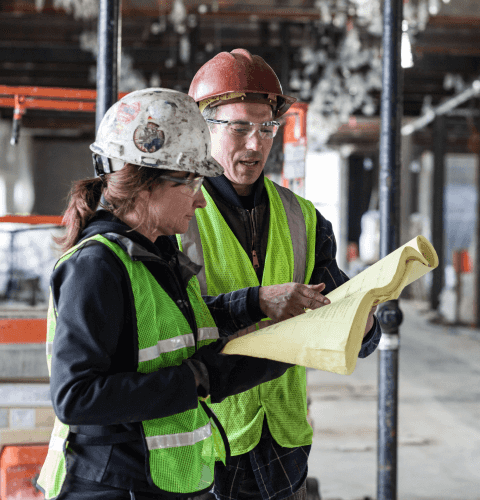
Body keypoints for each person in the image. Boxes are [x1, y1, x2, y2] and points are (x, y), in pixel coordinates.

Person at [37, 88, 292, 500]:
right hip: (109, 487)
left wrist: (260, 314)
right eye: (190, 182)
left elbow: (172, 329)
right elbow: (76, 397)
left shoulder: (157, 252)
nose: (200, 201)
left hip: (155, 482)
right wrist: (200, 376)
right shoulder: (97, 266)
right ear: (143, 185)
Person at [177, 49, 382, 500]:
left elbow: (349, 320)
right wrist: (256, 300)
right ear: (201, 128)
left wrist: (364, 322)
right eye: (239, 127)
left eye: (266, 127)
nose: (256, 144)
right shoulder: (175, 212)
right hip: (207, 435)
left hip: (283, 440)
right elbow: (164, 323)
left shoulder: (302, 218)